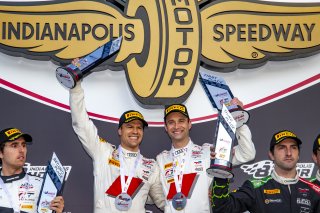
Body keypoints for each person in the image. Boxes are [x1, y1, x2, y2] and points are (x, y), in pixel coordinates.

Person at [69, 81, 165, 213]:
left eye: (139, 128)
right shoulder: (104, 152)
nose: (135, 131)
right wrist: (76, 89)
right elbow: (81, 124)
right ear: (120, 130)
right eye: (129, 127)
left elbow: (161, 200)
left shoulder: (151, 166)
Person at [156, 100, 256, 213]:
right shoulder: (161, 159)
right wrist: (168, 207)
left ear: (189, 124)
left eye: (181, 121)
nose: (176, 126)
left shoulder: (208, 152)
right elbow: (156, 193)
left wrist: (238, 119)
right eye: (171, 122)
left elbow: (247, 153)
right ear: (166, 127)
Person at [211, 130, 320, 213]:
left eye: (293, 148)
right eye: (282, 147)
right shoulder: (255, 187)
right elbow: (222, 209)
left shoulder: (314, 189)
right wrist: (222, 167)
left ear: (298, 154)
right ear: (271, 155)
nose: (288, 153)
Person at [0, 127, 65, 213]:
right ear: (1, 153)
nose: (21, 150)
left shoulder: (42, 186)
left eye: (23, 145)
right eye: (14, 145)